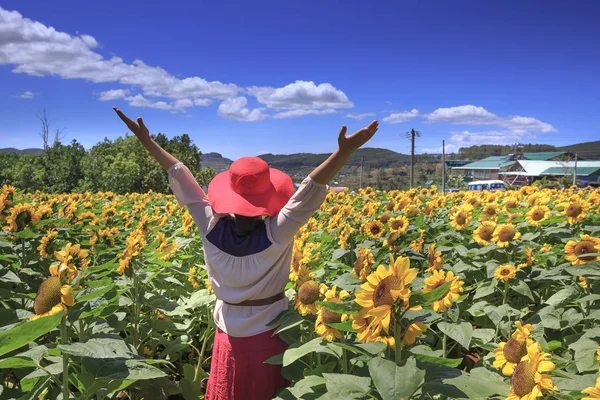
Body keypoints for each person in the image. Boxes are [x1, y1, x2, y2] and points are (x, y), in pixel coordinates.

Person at [112, 107, 379, 400]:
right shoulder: (277, 232)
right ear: (269, 197)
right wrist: (344, 152)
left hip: (227, 333)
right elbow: (309, 190)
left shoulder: (209, 224)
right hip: (271, 333)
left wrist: (147, 141)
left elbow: (179, 175)